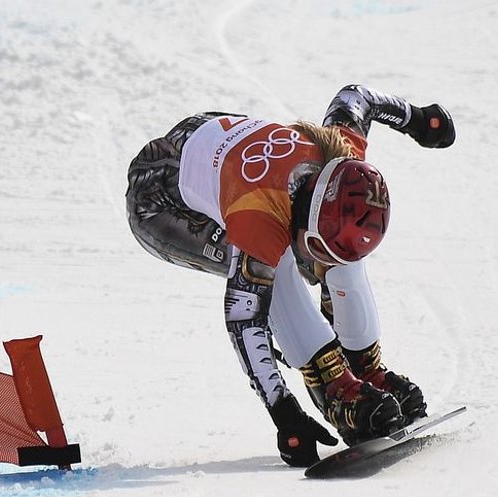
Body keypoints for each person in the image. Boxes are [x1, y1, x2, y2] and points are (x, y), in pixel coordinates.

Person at [125, 85, 455, 467]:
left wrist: (418, 119)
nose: (321, 266)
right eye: (317, 249)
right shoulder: (260, 215)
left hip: (211, 139)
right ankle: (333, 389)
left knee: (340, 261)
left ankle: (365, 370)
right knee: (275, 264)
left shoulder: (343, 154)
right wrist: (285, 414)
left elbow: (356, 98)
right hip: (159, 200)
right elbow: (243, 316)